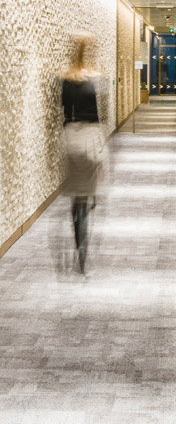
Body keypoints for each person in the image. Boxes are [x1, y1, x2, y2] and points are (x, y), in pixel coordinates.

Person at [61, 33, 106, 274]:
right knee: (87, 195)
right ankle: (82, 253)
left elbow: (65, 115)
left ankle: (79, 245)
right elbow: (97, 116)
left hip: (72, 140)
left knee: (77, 199)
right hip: (89, 139)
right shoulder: (93, 79)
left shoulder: (66, 80)